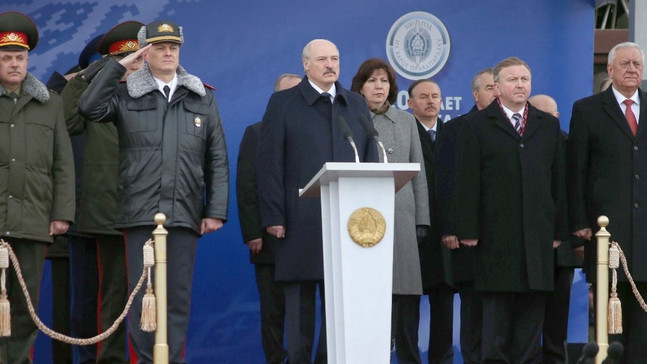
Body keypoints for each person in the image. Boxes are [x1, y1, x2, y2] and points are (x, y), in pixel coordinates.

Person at [78, 20, 229, 363]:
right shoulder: (126, 92)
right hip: (140, 213)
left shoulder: (201, 97)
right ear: (145, 53)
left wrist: (215, 209)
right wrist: (118, 66)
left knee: (176, 299)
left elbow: (216, 157)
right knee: (143, 298)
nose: (167, 53)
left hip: (184, 212)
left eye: (173, 47)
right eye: (159, 47)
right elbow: (88, 108)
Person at [256, 39, 378, 364]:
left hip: (347, 225)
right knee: (299, 310)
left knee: (339, 312)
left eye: (335, 58)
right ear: (306, 64)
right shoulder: (283, 103)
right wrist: (273, 216)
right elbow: (269, 165)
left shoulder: (355, 104)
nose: (330, 65)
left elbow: (368, 157)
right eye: (322, 59)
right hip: (299, 221)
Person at [455, 57, 567, 363]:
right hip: (494, 240)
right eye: (512, 80)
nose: (520, 85)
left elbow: (559, 181)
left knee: (531, 323)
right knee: (496, 324)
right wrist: (467, 230)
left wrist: (559, 230)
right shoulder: (475, 125)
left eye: (524, 79)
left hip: (537, 239)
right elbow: (466, 182)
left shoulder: (548, 125)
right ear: (497, 87)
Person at [62, 21, 144, 364]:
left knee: (153, 297)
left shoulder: (159, 94)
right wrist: (86, 77)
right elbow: (66, 121)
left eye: (138, 60)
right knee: (110, 296)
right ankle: (108, 360)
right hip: (107, 214)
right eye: (125, 62)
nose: (133, 68)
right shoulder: (95, 100)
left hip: (149, 211)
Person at [0, 11, 75, 363]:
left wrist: (61, 213)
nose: (14, 64)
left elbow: (63, 162)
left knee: (25, 311)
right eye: (6, 57)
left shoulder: (50, 102)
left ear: (28, 59)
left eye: (20, 57)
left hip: (33, 222)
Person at [567, 41, 647, 362]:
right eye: (625, 64)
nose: (632, 70)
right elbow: (576, 172)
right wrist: (578, 224)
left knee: (643, 323)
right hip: (606, 237)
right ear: (610, 70)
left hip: (645, 236)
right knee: (610, 325)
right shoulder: (587, 110)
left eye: (637, 64)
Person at [350, 58, 430, 364]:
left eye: (384, 81)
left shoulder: (406, 121)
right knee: (369, 297)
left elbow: (419, 172)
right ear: (360, 86)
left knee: (405, 295)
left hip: (402, 217)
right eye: (372, 81)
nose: (379, 86)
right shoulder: (347, 118)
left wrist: (422, 218)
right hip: (361, 219)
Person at [236, 73, 301, 364]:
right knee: (273, 312)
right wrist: (253, 232)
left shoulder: (319, 134)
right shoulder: (256, 132)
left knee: (305, 311)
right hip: (269, 242)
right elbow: (247, 186)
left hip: (308, 241)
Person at [435, 68, 495, 364]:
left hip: (504, 239)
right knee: (473, 309)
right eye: (489, 88)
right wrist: (448, 228)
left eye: (499, 86)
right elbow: (444, 182)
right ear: (475, 94)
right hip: (468, 239)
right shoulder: (455, 128)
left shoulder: (517, 129)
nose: (496, 92)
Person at [528, 94, 581, 364]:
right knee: (528, 319)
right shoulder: (523, 148)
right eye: (543, 115)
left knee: (558, 320)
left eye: (554, 116)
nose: (550, 121)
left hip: (563, 253)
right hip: (532, 249)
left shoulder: (571, 144)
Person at [408, 79, 455, 364]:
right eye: (423, 96)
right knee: (408, 306)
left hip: (447, 234)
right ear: (410, 103)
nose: (430, 101)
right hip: (414, 233)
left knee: (444, 306)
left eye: (435, 96)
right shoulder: (404, 133)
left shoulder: (454, 133)